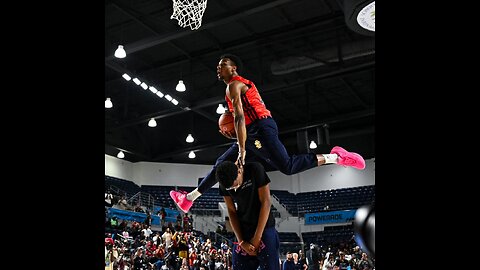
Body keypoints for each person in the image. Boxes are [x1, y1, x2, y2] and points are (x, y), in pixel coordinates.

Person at [170, 53, 366, 213]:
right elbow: (237, 118)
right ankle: (189, 199)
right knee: (222, 164)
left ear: (233, 68)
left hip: (260, 128)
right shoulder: (233, 88)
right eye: (218, 65)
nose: (218, 67)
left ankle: (337, 157)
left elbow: (238, 117)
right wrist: (235, 135)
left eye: (223, 64)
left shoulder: (234, 85)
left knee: (287, 166)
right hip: (254, 129)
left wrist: (241, 149)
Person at [215, 160, 280, 270]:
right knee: (238, 264)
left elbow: (266, 202)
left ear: (239, 171)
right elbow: (231, 211)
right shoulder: (224, 183)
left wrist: (257, 238)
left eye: (236, 185)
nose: (235, 189)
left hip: (264, 227)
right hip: (243, 229)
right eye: (231, 188)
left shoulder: (255, 169)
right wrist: (241, 241)